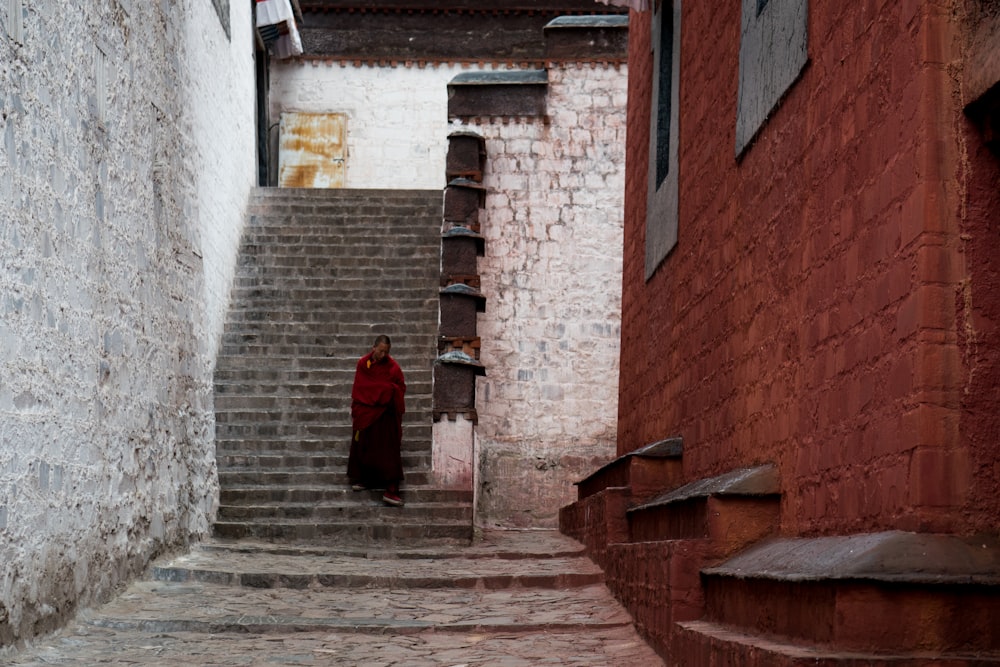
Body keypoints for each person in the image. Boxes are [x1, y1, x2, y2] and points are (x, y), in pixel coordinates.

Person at [347, 335, 406, 507]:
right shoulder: (362, 364)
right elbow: (360, 387)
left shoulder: (393, 367)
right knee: (364, 446)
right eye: (380, 351)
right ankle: (366, 479)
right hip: (366, 412)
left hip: (385, 416)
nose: (383, 355)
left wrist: (389, 390)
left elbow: (400, 388)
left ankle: (392, 489)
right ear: (373, 348)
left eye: (386, 352)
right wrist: (383, 389)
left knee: (388, 451)